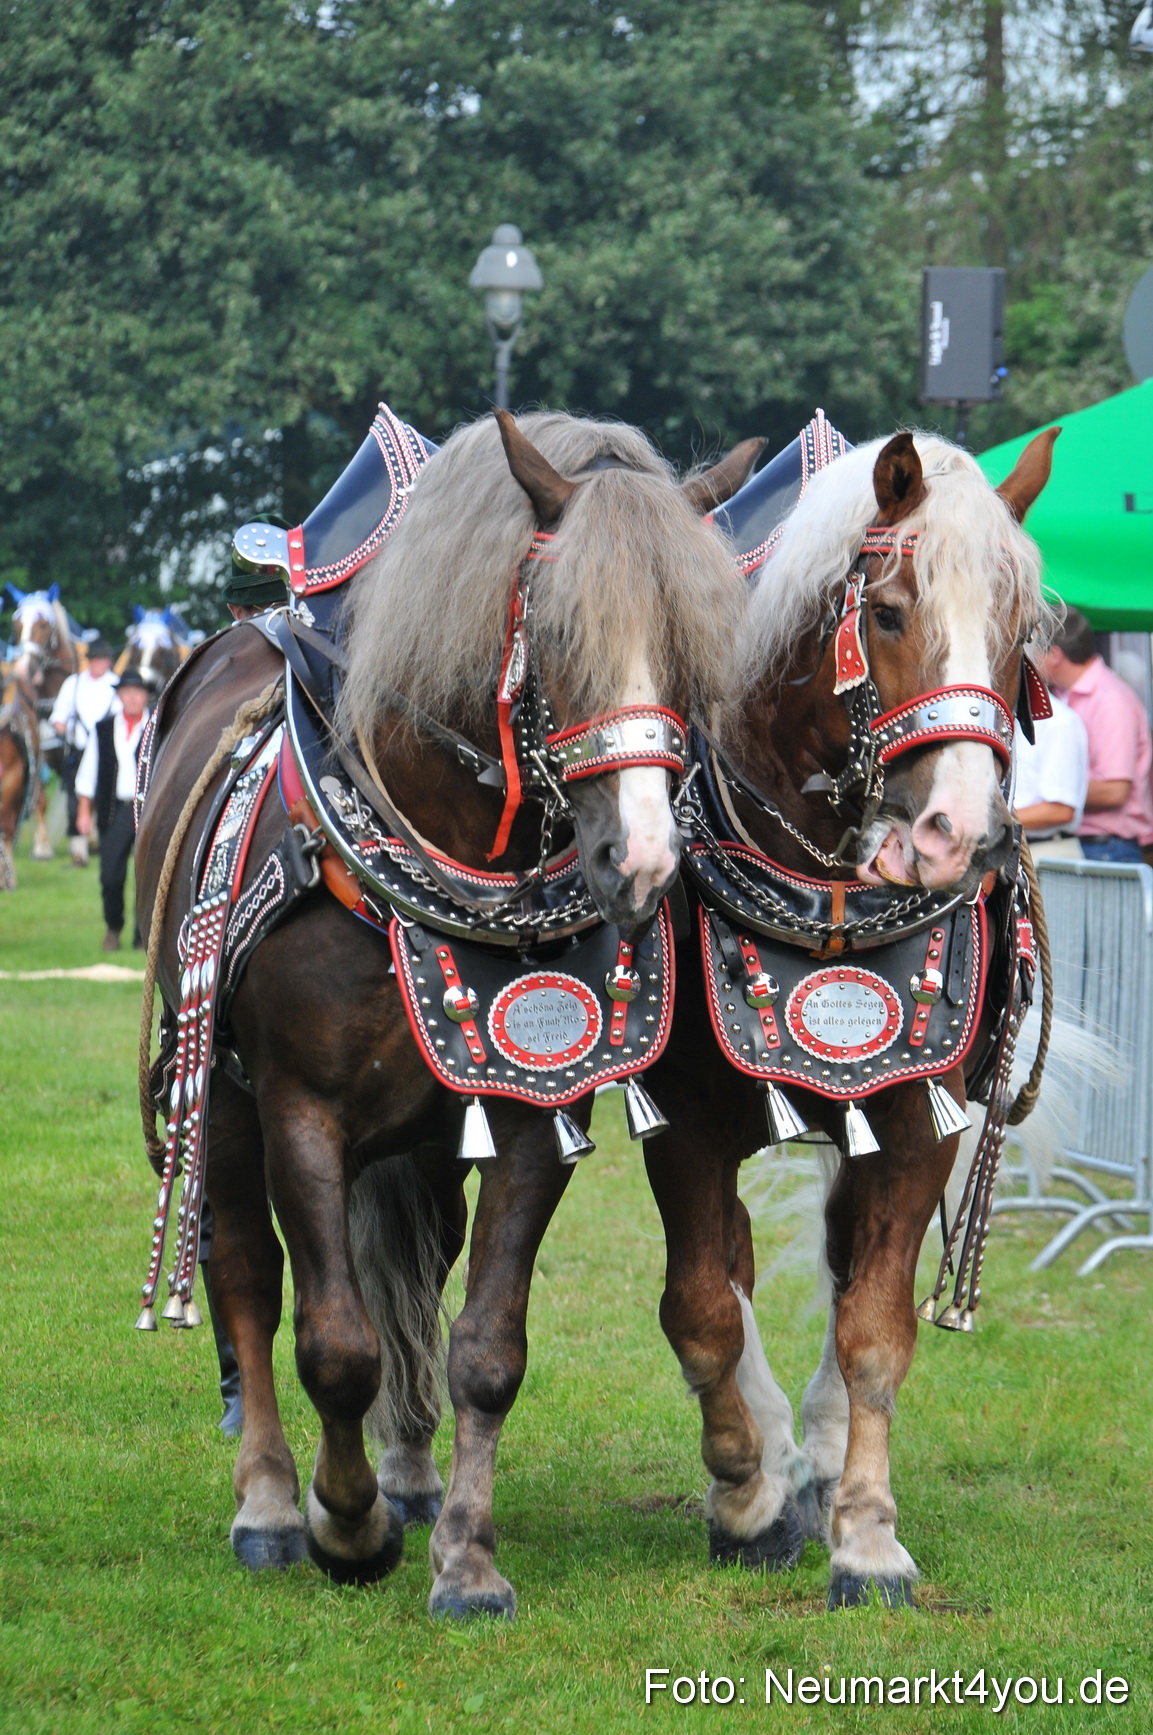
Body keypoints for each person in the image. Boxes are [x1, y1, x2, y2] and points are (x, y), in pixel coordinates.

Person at [1041, 609, 1153, 865]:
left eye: (1034, 650)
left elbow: (1114, 790)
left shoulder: (1110, 699)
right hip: (1090, 845)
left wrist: (1043, 795)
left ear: (1055, 655)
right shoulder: (1065, 695)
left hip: (1108, 848)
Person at [75, 667, 151, 951]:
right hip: (114, 810)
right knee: (110, 875)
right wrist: (84, 811)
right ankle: (113, 927)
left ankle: (143, 936)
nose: (132, 698)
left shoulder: (156, 727)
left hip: (147, 810)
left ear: (145, 696)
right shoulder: (104, 728)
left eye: (137, 693)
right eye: (127, 693)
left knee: (146, 875)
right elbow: (88, 771)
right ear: (119, 696)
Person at [49, 637, 116, 865]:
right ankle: (78, 848)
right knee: (74, 799)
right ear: (89, 661)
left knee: (107, 797)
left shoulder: (116, 685)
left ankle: (101, 839)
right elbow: (58, 716)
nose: (100, 663)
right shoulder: (73, 684)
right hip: (78, 749)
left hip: (107, 751)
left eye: (103, 659)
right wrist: (61, 727)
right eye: (96, 659)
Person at [1012, 689, 1089, 861]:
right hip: (1010, 849)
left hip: (1048, 852)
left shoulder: (1058, 722)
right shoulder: (995, 717)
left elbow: (1060, 810)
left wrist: (983, 822)